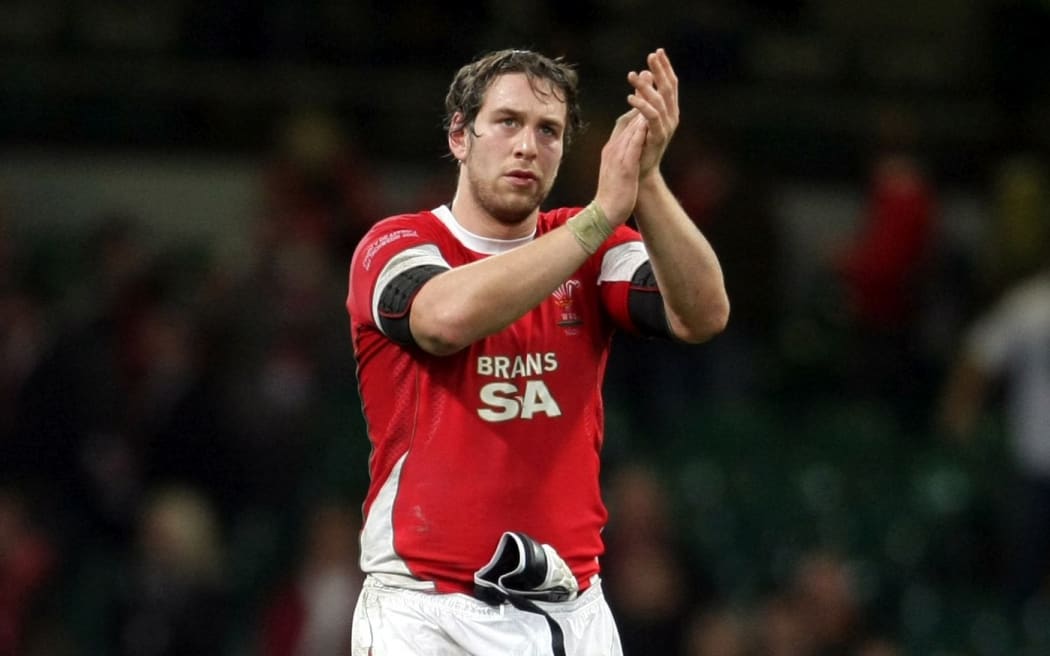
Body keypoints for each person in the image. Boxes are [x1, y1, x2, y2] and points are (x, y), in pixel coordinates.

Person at [345, 47, 729, 655]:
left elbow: (703, 313)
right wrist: (600, 216)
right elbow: (444, 320)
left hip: (575, 611)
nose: (528, 144)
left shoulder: (593, 248)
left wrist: (647, 179)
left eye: (547, 130)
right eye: (507, 122)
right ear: (459, 136)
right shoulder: (398, 242)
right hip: (429, 612)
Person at [938, 255, 1050, 607]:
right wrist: (958, 419)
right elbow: (979, 355)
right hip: (1036, 466)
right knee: (1022, 582)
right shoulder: (1033, 303)